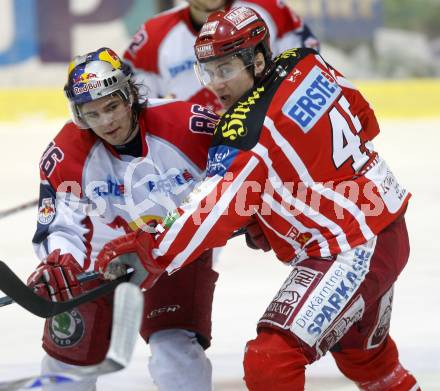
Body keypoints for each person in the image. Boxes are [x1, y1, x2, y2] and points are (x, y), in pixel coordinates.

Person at [96, 7, 421, 391]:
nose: (216, 84)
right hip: (385, 222)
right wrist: (274, 214)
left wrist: (152, 250)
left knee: (271, 360)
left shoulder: (245, 130)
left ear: (259, 58)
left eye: (227, 69)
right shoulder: (307, 62)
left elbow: (214, 208)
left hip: (353, 247)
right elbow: (365, 120)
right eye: (209, 71)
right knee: (366, 358)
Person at [27, 47, 221, 391]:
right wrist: (60, 263)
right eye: (92, 114)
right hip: (99, 261)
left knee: (172, 348)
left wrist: (254, 221)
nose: (106, 122)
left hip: (175, 251)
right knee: (69, 360)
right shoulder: (66, 154)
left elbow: (241, 178)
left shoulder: (189, 125)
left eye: (112, 106)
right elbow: (60, 224)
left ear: (130, 95)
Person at [123, 0, 319, 112]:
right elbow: (136, 109)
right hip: (199, 158)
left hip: (273, 133)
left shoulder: (270, 9)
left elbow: (308, 73)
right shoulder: (152, 36)